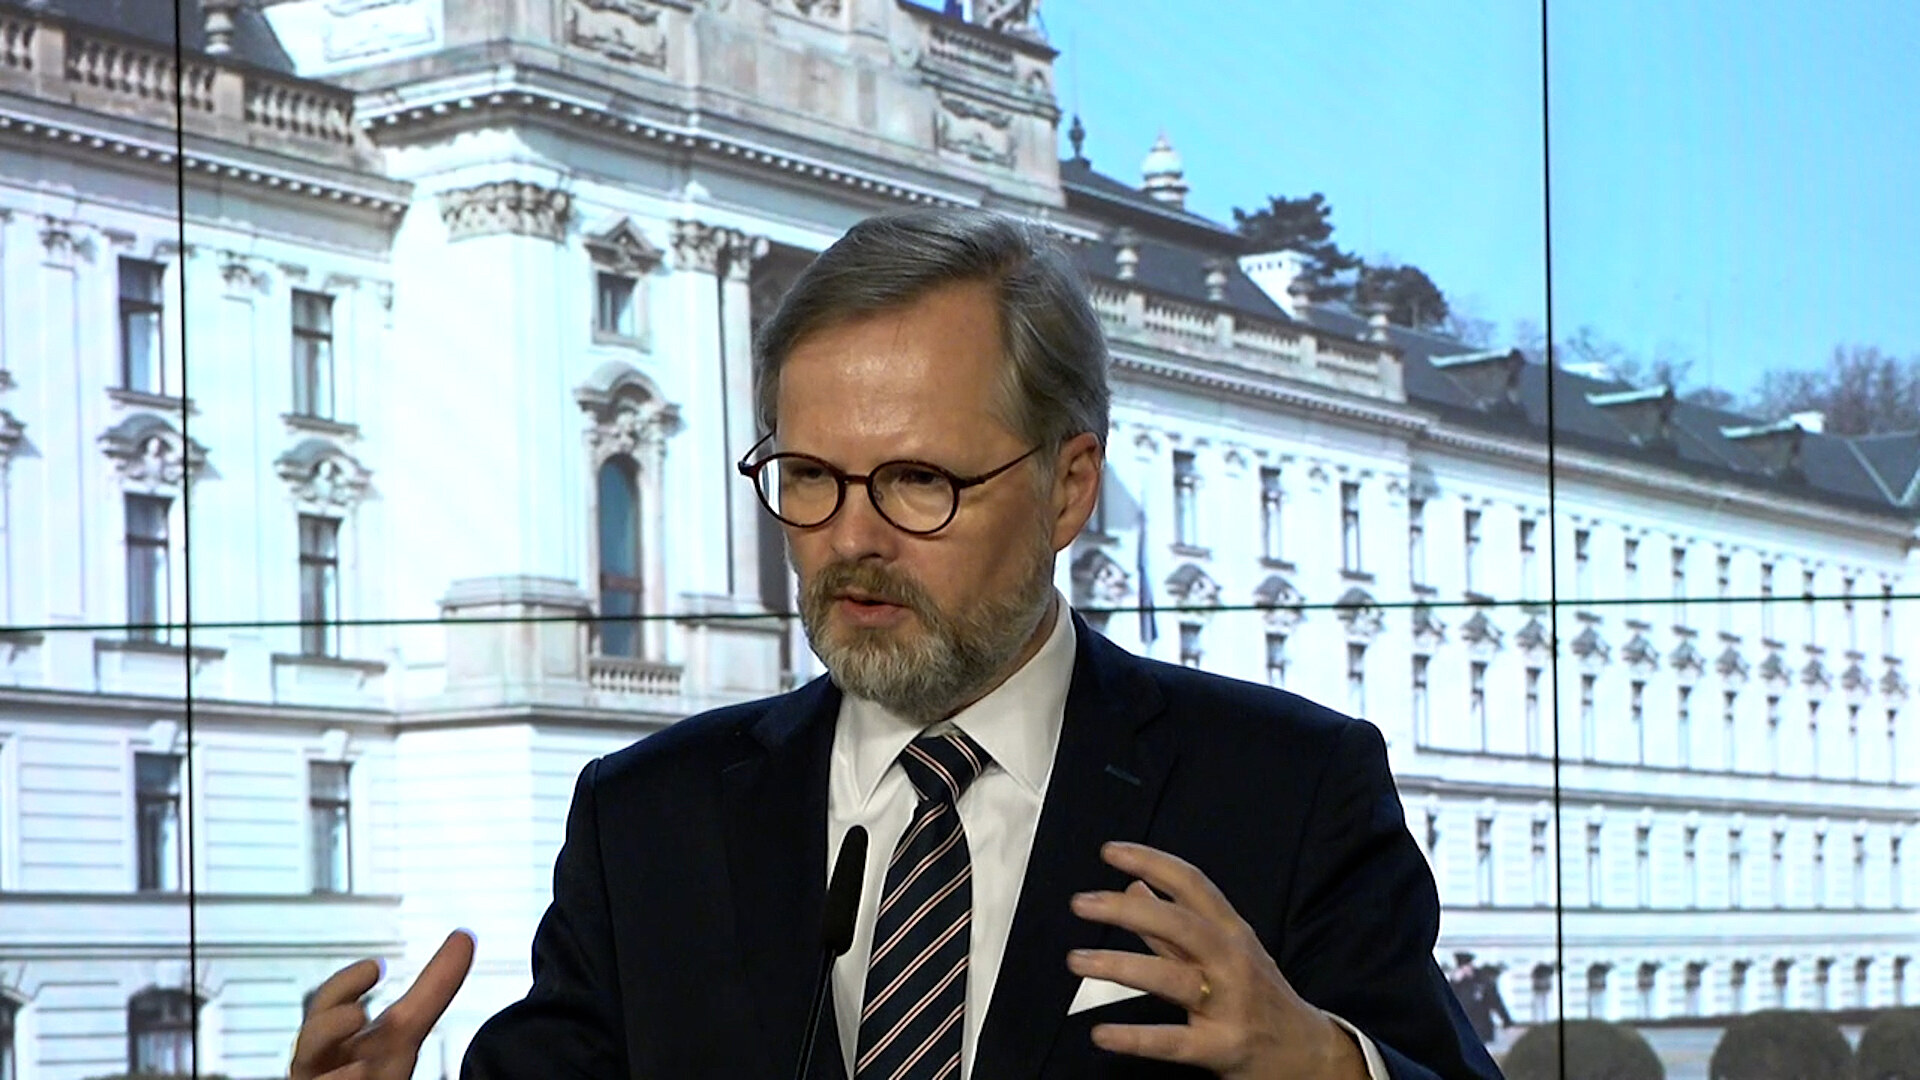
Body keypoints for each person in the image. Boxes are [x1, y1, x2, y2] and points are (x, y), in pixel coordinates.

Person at [290, 209, 1502, 1079]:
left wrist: (1325, 1066)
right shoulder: (647, 816)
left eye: (920, 480)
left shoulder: (1287, 790)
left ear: (1069, 487)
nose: (851, 537)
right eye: (809, 476)